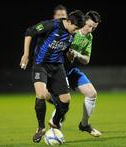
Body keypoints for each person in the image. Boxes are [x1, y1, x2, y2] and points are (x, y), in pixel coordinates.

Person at [20, 10, 85, 143]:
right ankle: (41, 128)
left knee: (66, 100)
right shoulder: (51, 25)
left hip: (57, 67)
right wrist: (26, 54)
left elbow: (64, 48)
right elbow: (29, 32)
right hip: (41, 65)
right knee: (41, 94)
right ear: (69, 21)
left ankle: (55, 122)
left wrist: (69, 54)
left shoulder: (71, 33)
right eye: (75, 28)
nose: (76, 31)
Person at [49, 9, 102, 137]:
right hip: (57, 70)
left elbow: (86, 60)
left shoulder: (89, 37)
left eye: (93, 28)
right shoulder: (71, 30)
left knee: (92, 93)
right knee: (63, 101)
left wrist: (77, 55)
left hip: (70, 70)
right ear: (83, 21)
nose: (90, 30)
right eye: (89, 26)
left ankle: (84, 125)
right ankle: (54, 127)